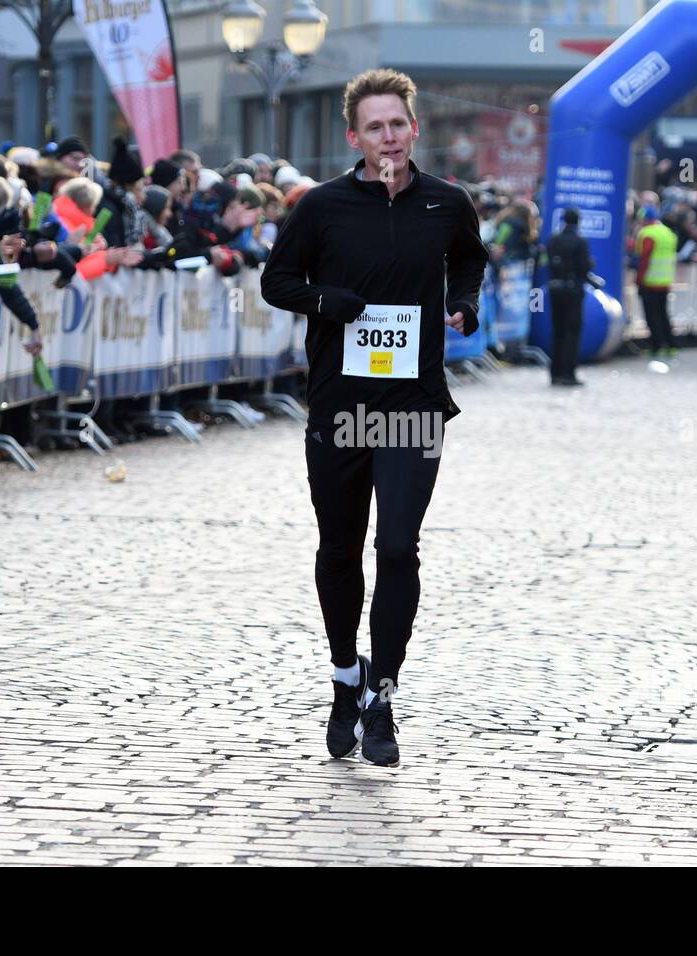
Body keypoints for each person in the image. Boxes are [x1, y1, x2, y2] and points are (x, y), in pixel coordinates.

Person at [260, 68, 488, 767]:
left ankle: (383, 695)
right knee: (340, 547)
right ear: (353, 136)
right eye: (374, 126)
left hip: (413, 403)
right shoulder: (322, 207)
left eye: (398, 124)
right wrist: (333, 303)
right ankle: (343, 677)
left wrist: (465, 303)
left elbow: (471, 265)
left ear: (414, 129)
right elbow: (277, 282)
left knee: (396, 548)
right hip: (340, 405)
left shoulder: (448, 204)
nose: (387, 136)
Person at [545, 206, 593, 386]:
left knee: (557, 331)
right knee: (571, 332)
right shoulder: (580, 241)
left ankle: (554, 372)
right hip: (572, 290)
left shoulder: (553, 240)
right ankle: (568, 373)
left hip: (555, 289)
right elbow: (584, 266)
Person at [635, 204, 678, 358]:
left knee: (652, 316)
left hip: (650, 281)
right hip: (665, 281)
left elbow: (643, 259)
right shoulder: (668, 232)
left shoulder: (647, 234)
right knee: (663, 314)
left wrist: (639, 279)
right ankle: (671, 345)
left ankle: (656, 346)